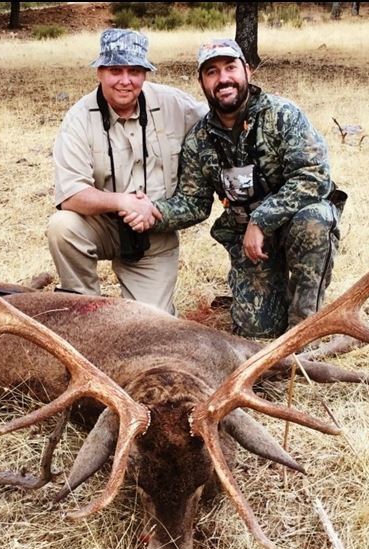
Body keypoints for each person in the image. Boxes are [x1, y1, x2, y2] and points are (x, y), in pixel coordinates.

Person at [145, 39, 346, 338]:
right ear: (201, 82)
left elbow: (313, 176)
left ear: (247, 71)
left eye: (230, 68)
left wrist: (260, 220)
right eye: (212, 72)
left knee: (314, 220)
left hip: (294, 224)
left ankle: (305, 327)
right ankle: (276, 298)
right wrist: (150, 211)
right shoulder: (199, 139)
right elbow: (193, 202)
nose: (223, 78)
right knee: (255, 330)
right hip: (250, 244)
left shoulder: (282, 115)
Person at [48, 29, 207, 314]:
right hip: (102, 226)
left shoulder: (174, 104)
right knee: (62, 227)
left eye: (134, 71)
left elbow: (222, 120)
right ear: (99, 72)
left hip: (154, 235)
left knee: (152, 325)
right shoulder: (78, 119)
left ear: (145, 74)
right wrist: (123, 202)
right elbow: (71, 195)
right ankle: (84, 309)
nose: (125, 80)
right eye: (115, 70)